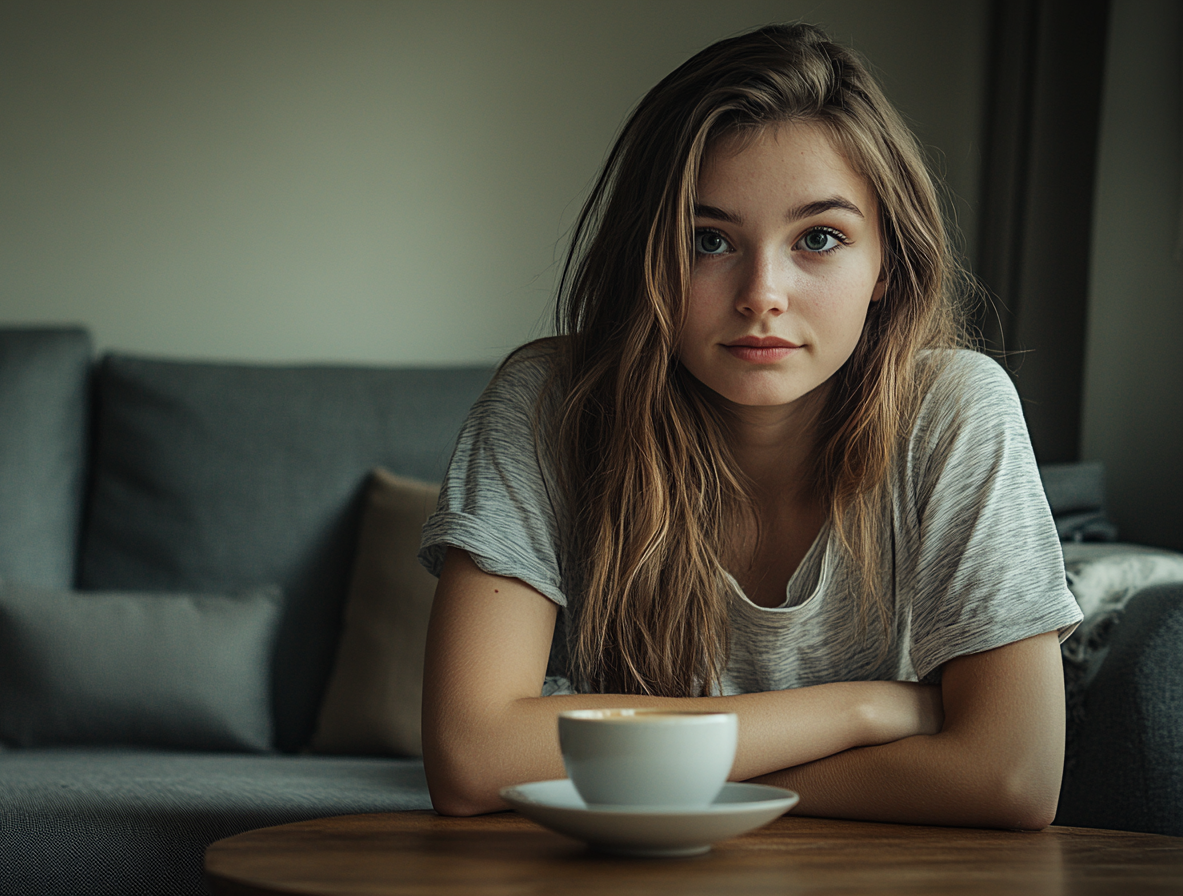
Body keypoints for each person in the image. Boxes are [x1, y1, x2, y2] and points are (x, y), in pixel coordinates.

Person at [417, 23, 1083, 829]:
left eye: (821, 238)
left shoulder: (954, 411)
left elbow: (1010, 778)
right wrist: (868, 713)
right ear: (646, 258)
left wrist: (649, 772)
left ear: (887, 267)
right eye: (709, 240)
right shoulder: (549, 405)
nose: (762, 292)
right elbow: (472, 758)